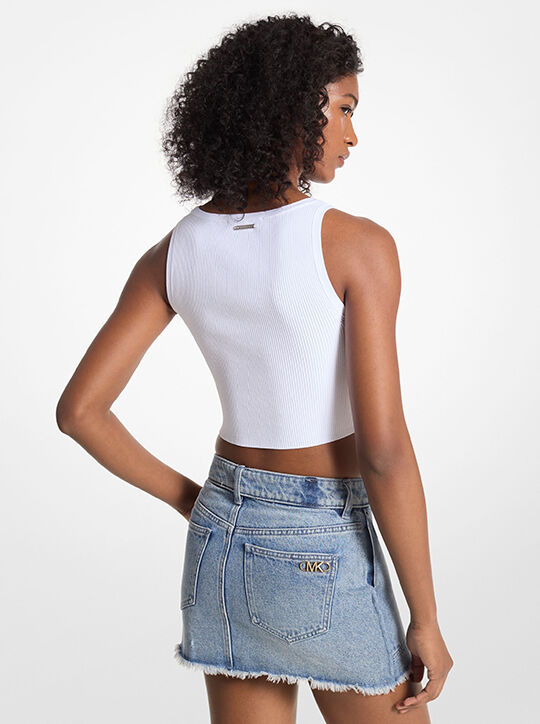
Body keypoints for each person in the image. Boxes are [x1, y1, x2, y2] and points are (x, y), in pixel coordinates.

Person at [56, 13, 453, 724]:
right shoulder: (358, 246)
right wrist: (426, 618)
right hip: (321, 541)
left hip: (220, 537)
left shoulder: (175, 250)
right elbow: (384, 451)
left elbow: (80, 412)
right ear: (294, 108)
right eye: (344, 109)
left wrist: (197, 502)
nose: (353, 135)